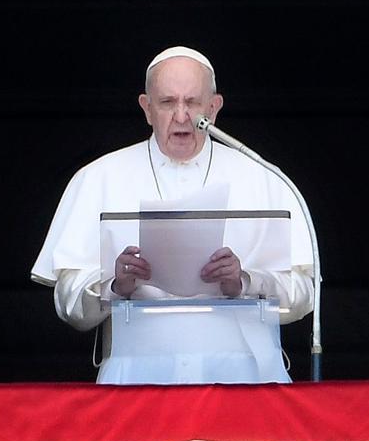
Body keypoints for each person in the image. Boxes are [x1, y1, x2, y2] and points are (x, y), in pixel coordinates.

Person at [30, 46, 315, 380]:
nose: (181, 116)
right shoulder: (98, 178)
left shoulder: (264, 177)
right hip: (137, 379)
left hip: (247, 377)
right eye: (167, 103)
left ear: (214, 107)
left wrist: (245, 282)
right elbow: (68, 304)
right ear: (147, 108)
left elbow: (304, 294)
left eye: (192, 102)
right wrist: (114, 285)